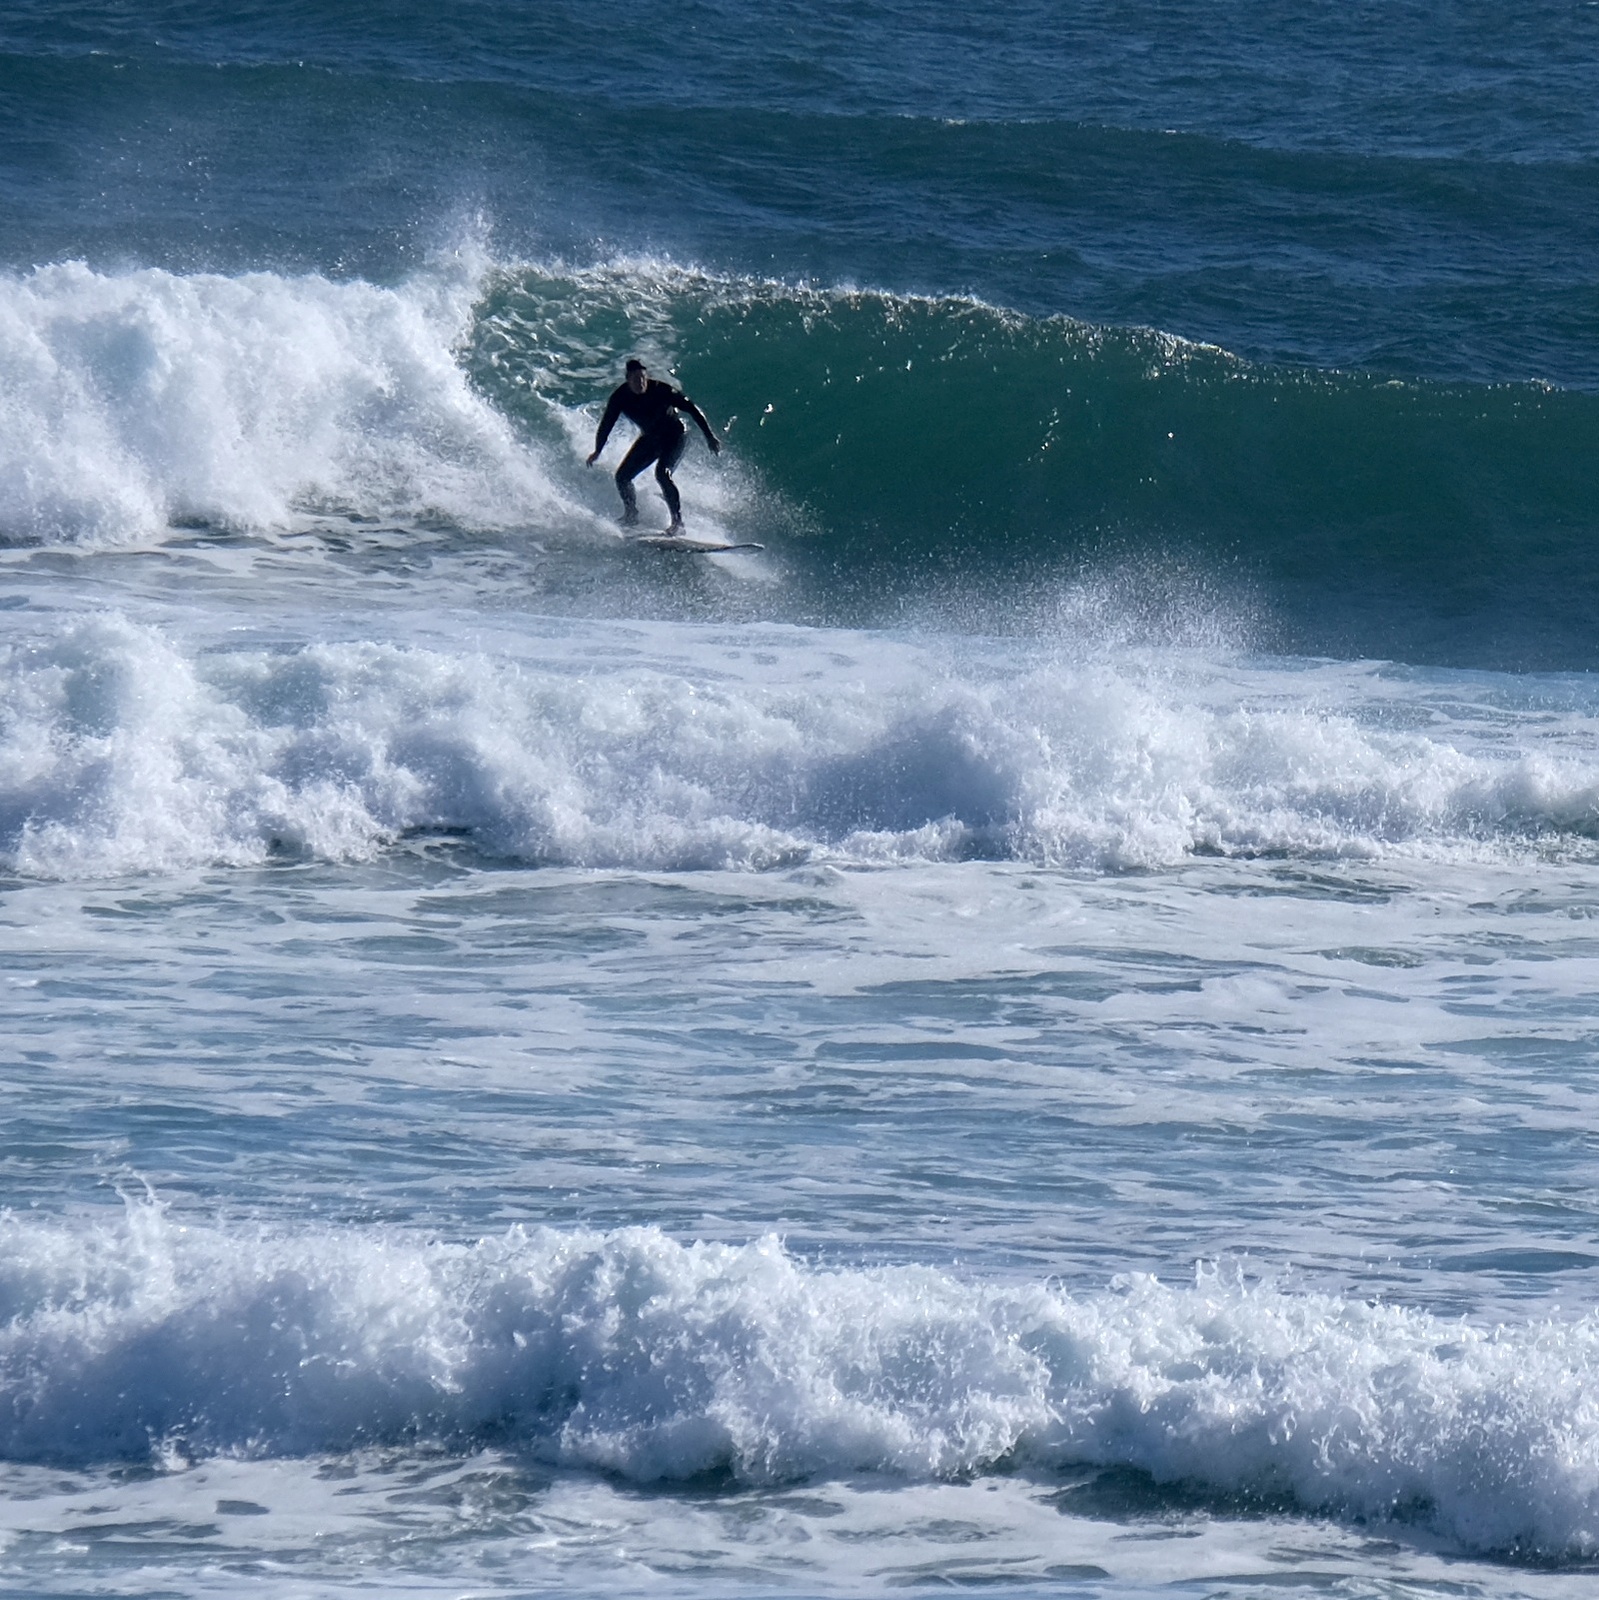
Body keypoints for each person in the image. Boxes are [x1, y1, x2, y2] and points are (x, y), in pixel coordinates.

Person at [587, 359, 721, 531]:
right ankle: (631, 515)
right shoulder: (619, 398)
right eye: (635, 379)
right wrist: (598, 450)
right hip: (651, 438)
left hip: (676, 435)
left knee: (662, 474)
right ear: (627, 379)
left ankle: (677, 522)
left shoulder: (662, 390)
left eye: (643, 377)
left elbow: (693, 409)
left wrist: (709, 436)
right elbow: (606, 425)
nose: (640, 382)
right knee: (622, 477)